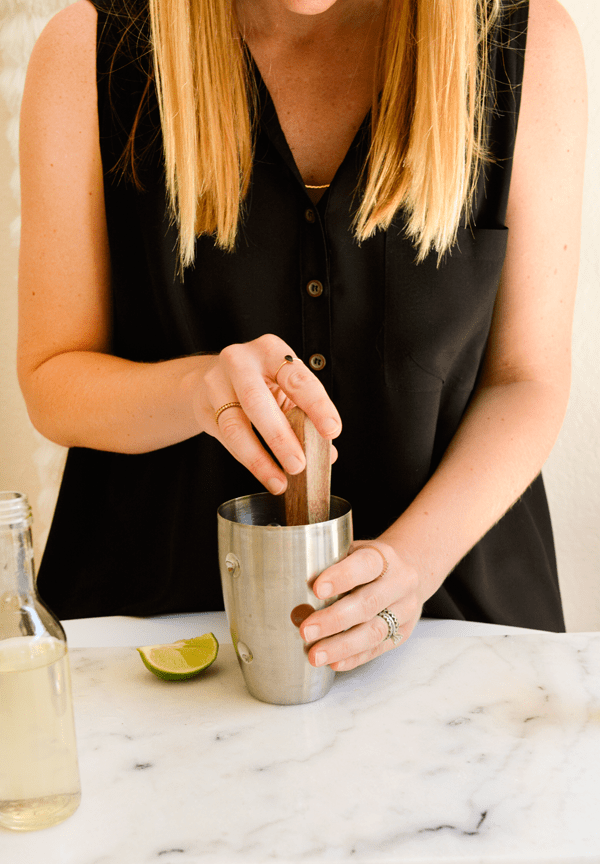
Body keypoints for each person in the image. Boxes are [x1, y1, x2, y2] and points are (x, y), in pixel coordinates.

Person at [18, 0, 586, 672]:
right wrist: (198, 390)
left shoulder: (530, 44)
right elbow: (53, 379)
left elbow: (528, 379)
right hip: (155, 632)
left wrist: (414, 562)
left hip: (461, 630)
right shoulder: (86, 49)